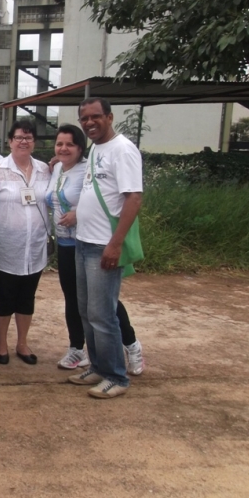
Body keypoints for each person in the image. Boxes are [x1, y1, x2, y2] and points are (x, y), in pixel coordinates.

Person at [45, 124, 145, 373]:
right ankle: (78, 348)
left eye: (70, 144)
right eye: (60, 144)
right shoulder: (56, 168)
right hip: (68, 244)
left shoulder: (88, 167)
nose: (64, 148)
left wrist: (77, 214)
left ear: (81, 148)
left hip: (92, 240)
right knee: (76, 300)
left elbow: (111, 199)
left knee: (103, 304)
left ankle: (130, 344)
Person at [68, 98, 144, 399]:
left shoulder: (123, 149)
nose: (89, 123)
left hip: (103, 244)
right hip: (84, 241)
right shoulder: (97, 148)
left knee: (103, 314)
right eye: (84, 118)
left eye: (95, 117)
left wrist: (115, 244)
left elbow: (133, 198)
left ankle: (116, 376)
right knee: (87, 312)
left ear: (109, 117)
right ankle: (98, 366)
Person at [0, 120, 51, 366]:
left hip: (35, 246)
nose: (24, 141)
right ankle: (0, 343)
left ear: (34, 142)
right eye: (19, 137)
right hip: (5, 246)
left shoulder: (46, 169)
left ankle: (22, 342)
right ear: (10, 141)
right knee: (3, 296)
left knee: (27, 297)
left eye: (29, 137)